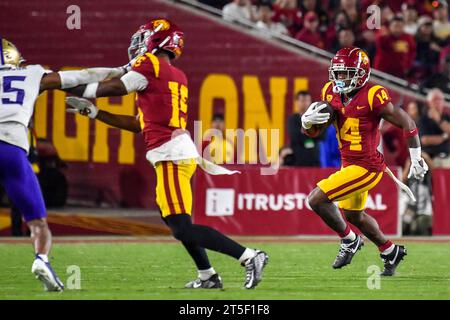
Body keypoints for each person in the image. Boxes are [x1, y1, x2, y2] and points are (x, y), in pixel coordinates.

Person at [64, 18, 269, 289]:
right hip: (176, 152)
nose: (137, 44)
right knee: (175, 220)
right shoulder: (173, 73)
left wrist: (68, 84)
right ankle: (208, 276)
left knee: (182, 227)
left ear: (157, 41)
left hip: (171, 155)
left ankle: (249, 256)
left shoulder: (149, 64)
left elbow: (115, 87)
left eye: (144, 37)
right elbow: (139, 124)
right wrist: (93, 112)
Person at [0, 38, 129, 291]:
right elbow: (82, 76)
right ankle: (42, 260)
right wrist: (121, 70)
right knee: (38, 222)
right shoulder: (32, 73)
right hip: (11, 148)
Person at [301, 47, 428, 276]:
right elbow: (314, 132)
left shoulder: (373, 94)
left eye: (346, 73)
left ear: (361, 73)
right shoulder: (329, 92)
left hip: (367, 166)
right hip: (348, 164)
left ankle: (349, 240)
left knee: (316, 199)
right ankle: (390, 251)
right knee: (353, 215)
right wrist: (308, 123)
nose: (340, 78)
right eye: (338, 73)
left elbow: (407, 121)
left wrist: (416, 157)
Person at [287, 91, 323, 166]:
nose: (305, 103)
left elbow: (322, 136)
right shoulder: (292, 119)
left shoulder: (316, 118)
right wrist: (312, 134)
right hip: (298, 160)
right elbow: (295, 137)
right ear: (296, 102)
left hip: (315, 160)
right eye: (302, 100)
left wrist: (304, 132)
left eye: (307, 100)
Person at [418, 88, 450, 167]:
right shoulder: (423, 119)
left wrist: (439, 120)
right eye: (435, 99)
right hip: (430, 156)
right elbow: (425, 140)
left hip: (447, 155)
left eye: (440, 99)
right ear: (429, 102)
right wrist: (445, 136)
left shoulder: (446, 117)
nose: (438, 102)